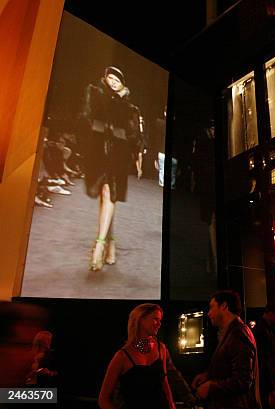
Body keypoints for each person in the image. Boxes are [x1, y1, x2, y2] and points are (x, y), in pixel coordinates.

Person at [81, 66, 143, 271]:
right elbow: (87, 117)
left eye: (117, 78)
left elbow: (135, 137)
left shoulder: (131, 108)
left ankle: (99, 246)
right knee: (105, 199)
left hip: (118, 154)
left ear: (123, 82)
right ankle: (112, 243)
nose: (113, 81)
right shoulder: (97, 94)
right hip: (98, 151)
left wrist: (138, 159)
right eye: (110, 77)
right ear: (105, 79)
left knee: (109, 194)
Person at [98, 304, 176, 409]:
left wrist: (172, 405)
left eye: (160, 320)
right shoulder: (122, 356)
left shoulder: (161, 348)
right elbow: (103, 399)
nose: (159, 324)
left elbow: (164, 383)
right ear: (141, 319)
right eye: (155, 319)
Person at [191, 290, 260, 409]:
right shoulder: (232, 332)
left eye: (212, 307)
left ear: (224, 306)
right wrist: (209, 375)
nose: (209, 313)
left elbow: (243, 380)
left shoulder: (238, 334)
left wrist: (211, 387)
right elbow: (230, 368)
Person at [254, 303, 275, 409]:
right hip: (266, 383)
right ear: (271, 313)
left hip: (266, 379)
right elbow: (264, 360)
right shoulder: (263, 331)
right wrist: (271, 390)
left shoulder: (263, 328)